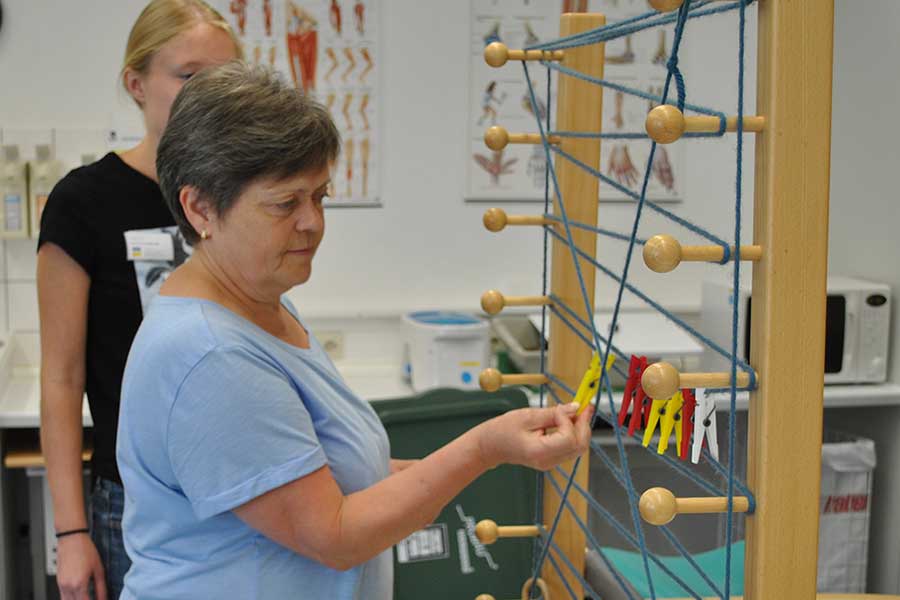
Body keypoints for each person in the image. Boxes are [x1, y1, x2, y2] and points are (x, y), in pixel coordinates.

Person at [116, 61, 593, 599]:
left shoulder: (262, 304)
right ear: (201, 207)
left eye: (319, 196)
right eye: (285, 203)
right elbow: (335, 535)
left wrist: (452, 465)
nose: (313, 222)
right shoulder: (210, 355)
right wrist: (483, 449)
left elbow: (320, 474)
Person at [36, 2, 241, 599]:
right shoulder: (85, 202)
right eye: (190, 76)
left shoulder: (240, 198)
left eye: (226, 78)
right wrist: (71, 532)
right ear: (136, 83)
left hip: (241, 488)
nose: (210, 96)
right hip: (135, 499)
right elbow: (61, 377)